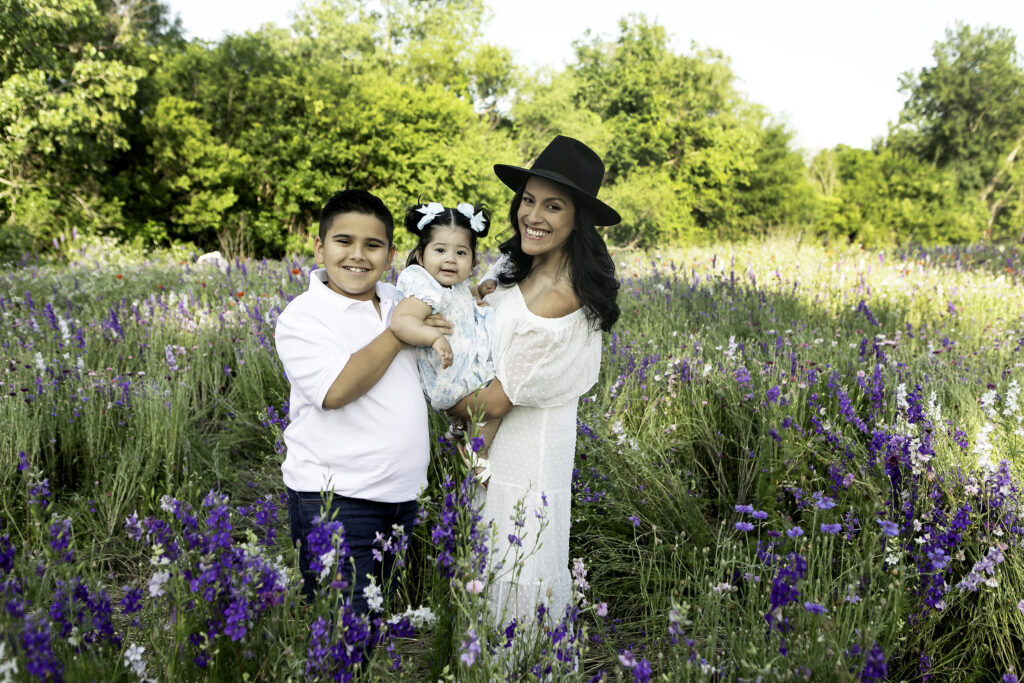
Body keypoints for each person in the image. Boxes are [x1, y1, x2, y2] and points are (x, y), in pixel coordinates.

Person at [448, 135, 621, 623]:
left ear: (577, 219)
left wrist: (432, 388)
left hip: (526, 459)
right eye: (527, 200)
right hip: (487, 453)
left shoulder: (562, 296)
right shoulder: (513, 266)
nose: (532, 216)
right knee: (485, 570)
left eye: (552, 206)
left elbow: (496, 402)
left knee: (516, 569)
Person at [274, 189, 449, 613]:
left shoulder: (399, 302)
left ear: (390, 256)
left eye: (372, 245)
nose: (358, 255)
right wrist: (398, 332)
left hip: (400, 495)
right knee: (343, 636)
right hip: (334, 498)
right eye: (343, 242)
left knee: (368, 630)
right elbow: (335, 391)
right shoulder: (302, 317)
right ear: (319, 247)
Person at [389, 202, 501, 481]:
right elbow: (401, 321)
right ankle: (478, 452)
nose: (450, 259)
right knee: (499, 398)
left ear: (474, 261)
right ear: (420, 255)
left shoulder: (452, 284)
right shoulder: (424, 285)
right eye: (440, 250)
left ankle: (458, 426)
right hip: (450, 375)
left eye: (460, 252)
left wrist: (477, 291)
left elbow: (457, 302)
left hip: (456, 371)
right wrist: (435, 338)